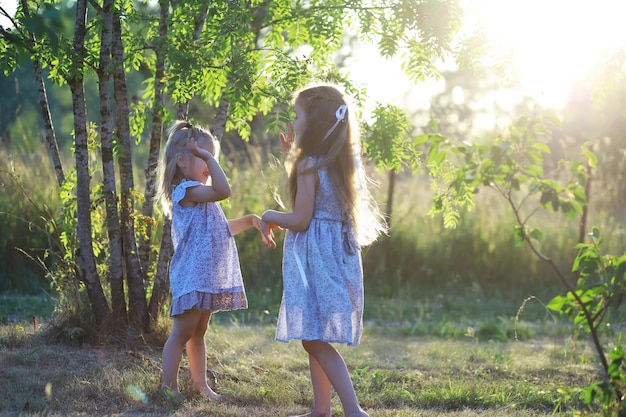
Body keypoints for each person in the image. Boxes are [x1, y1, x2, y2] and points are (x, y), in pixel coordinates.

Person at [261, 83, 386, 417]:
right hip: (335, 255)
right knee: (315, 334)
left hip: (314, 258)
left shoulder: (308, 164)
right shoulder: (337, 163)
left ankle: (353, 410)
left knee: (313, 339)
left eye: (298, 115)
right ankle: (321, 411)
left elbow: (301, 219)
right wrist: (293, 155)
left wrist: (269, 215)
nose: (293, 122)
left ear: (313, 122)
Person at [156, 120, 276, 400]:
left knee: (199, 332)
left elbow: (220, 231)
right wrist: (209, 156)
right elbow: (224, 191)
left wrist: (250, 221)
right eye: (205, 157)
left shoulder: (201, 197)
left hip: (205, 277)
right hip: (192, 275)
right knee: (182, 333)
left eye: (213, 157)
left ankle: (201, 386)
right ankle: (168, 387)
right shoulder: (187, 192)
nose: (211, 164)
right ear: (183, 161)